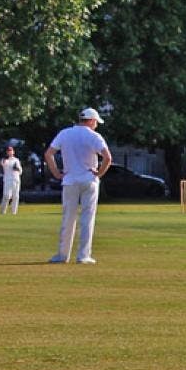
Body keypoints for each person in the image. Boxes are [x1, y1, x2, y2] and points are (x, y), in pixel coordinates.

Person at [44, 108, 112, 264]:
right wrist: (99, 173)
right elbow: (107, 157)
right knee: (87, 218)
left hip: (69, 180)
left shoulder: (65, 133)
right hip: (89, 179)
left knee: (68, 218)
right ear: (92, 120)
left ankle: (62, 255)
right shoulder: (94, 136)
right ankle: (83, 255)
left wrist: (56, 173)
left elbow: (49, 154)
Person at [0, 145, 22, 214]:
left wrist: (17, 168)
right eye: (8, 151)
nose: (10, 152)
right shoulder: (4, 160)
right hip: (8, 180)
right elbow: (3, 164)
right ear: (7, 152)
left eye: (11, 150)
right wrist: (6, 159)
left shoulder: (16, 160)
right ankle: (2, 212)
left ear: (13, 152)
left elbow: (20, 171)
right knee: (7, 196)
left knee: (16, 196)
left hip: (16, 179)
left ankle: (14, 212)